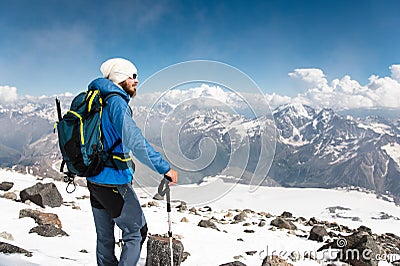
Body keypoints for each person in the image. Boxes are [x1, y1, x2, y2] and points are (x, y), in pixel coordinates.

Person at [86, 57, 178, 266]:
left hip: (94, 180)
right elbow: (135, 140)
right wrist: (164, 168)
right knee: (135, 233)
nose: (136, 81)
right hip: (113, 181)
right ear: (120, 78)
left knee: (105, 237)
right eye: (133, 76)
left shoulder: (98, 99)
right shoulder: (116, 102)